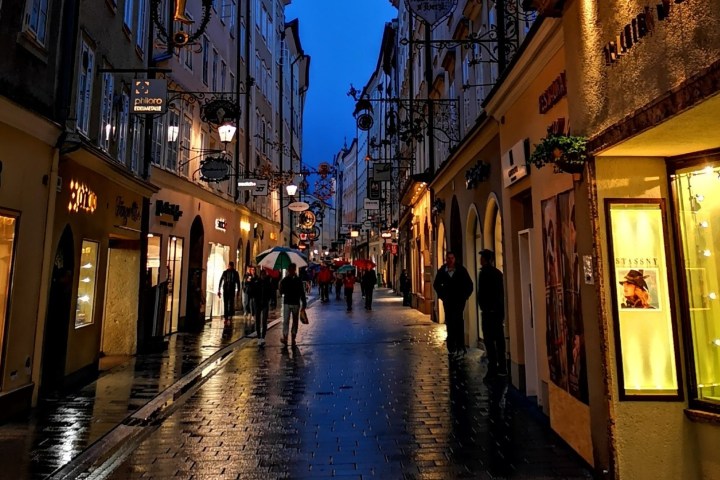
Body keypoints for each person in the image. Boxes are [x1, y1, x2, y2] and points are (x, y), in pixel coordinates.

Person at [433, 251, 473, 357]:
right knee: (450, 322)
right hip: (448, 301)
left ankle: (460, 346)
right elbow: (436, 284)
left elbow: (469, 285)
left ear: (455, 259)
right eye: (448, 258)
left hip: (459, 301)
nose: (450, 260)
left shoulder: (461, 270)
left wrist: (464, 296)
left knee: (459, 322)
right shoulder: (442, 271)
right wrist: (442, 296)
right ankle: (451, 347)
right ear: (446, 259)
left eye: (452, 258)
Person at [477, 249, 507, 378]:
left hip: (489, 312)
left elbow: (482, 293)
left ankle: (493, 367)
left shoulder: (484, 274)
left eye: (482, 257)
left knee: (489, 341)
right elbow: (501, 294)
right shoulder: (498, 273)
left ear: (486, 259)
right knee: (499, 340)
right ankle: (502, 367)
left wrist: (484, 306)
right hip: (497, 312)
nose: (480, 260)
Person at [279, 263, 307, 346]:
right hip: (291, 302)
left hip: (292, 302)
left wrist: (304, 303)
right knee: (289, 321)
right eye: (290, 269)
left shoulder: (294, 280)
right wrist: (280, 286)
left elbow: (302, 292)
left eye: (291, 269)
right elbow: (282, 292)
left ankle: (290, 336)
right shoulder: (286, 280)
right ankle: (288, 336)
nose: (290, 271)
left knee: (291, 321)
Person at [248, 269, 272, 346]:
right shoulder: (256, 282)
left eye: (264, 274)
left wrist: (268, 299)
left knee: (264, 321)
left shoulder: (268, 282)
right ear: (260, 275)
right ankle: (259, 337)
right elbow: (251, 291)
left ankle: (263, 337)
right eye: (262, 274)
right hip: (257, 303)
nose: (263, 276)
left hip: (265, 303)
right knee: (258, 321)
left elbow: (270, 291)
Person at [218, 262, 241, 326]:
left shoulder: (235, 273)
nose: (230, 267)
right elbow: (221, 280)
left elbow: (238, 282)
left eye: (231, 266)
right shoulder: (225, 272)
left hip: (231, 290)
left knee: (230, 303)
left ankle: (229, 316)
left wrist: (238, 290)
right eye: (229, 266)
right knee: (225, 303)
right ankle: (226, 317)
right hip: (225, 290)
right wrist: (219, 289)